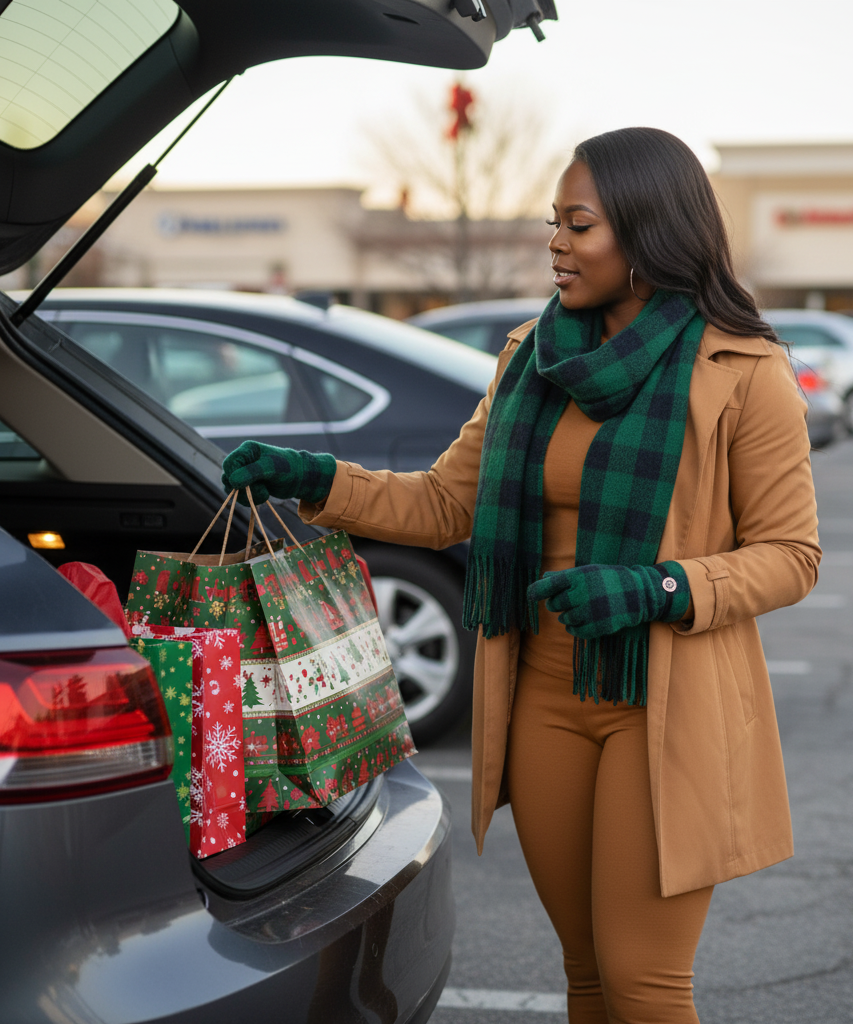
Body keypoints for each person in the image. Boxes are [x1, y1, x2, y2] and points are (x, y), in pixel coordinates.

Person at [222, 127, 820, 1024]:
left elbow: (791, 554)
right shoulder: (531, 359)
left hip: (662, 702)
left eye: (579, 225)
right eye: (555, 223)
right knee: (584, 974)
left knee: (644, 983)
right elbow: (442, 505)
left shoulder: (742, 368)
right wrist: (316, 479)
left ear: (647, 233)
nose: (556, 244)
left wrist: (654, 588)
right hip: (539, 695)